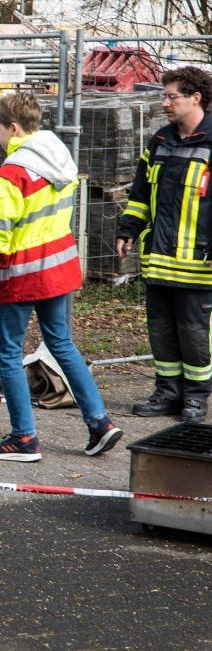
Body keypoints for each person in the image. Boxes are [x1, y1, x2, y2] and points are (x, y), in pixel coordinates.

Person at [0, 92, 122, 462]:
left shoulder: (10, 173)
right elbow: (37, 204)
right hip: (60, 268)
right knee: (62, 344)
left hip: (23, 274)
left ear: (14, 128)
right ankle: (100, 423)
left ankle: (24, 439)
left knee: (8, 353)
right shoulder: (56, 156)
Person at [116, 67, 212, 423]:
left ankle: (197, 398)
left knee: (194, 332)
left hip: (199, 261)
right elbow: (141, 193)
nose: (165, 103)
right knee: (161, 329)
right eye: (164, 96)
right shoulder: (159, 141)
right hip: (159, 257)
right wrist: (128, 228)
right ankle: (167, 393)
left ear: (195, 98)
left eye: (172, 97)